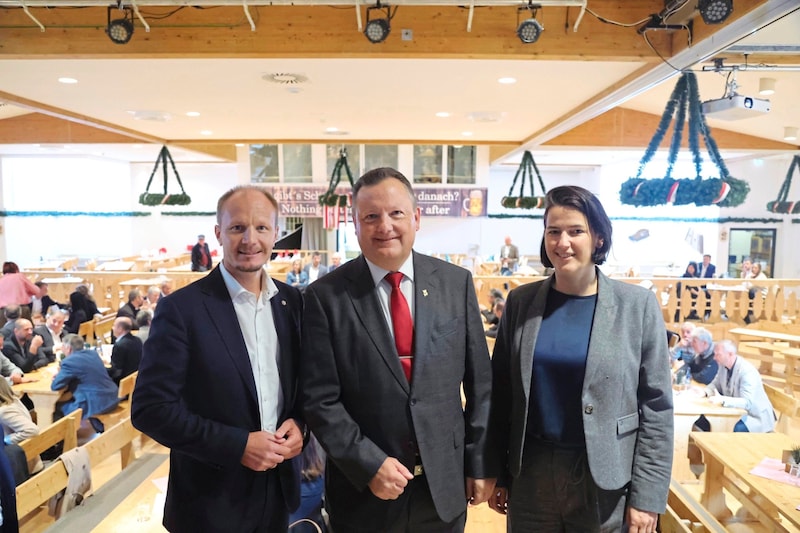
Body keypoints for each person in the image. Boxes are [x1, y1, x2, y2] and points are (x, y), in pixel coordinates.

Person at [300, 167, 496, 533]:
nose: (384, 226)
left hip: (444, 488)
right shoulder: (325, 296)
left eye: (396, 213)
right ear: (355, 225)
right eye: (370, 216)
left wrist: (480, 461)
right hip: (364, 493)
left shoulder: (455, 284)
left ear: (416, 218)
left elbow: (481, 386)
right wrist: (368, 463)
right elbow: (319, 399)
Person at [489, 185, 673, 532]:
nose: (563, 242)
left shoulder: (637, 307)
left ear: (598, 238)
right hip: (531, 476)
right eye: (553, 231)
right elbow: (502, 394)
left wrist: (647, 497)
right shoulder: (521, 303)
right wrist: (497, 469)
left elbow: (657, 408)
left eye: (576, 231)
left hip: (604, 477)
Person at [131, 185, 304, 533]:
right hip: (209, 503)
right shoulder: (182, 309)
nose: (250, 240)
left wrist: (303, 426)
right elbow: (151, 410)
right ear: (218, 233)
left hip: (277, 490)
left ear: (276, 234)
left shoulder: (292, 302)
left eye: (261, 228)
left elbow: (301, 389)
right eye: (238, 227)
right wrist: (238, 445)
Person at [700, 340, 776, 433]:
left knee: (726, 429)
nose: (714, 358)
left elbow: (747, 402)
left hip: (754, 417)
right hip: (736, 412)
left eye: (718, 355)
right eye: (714, 354)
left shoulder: (747, 371)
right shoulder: (723, 366)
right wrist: (704, 391)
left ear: (730, 354)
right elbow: (716, 384)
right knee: (703, 421)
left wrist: (723, 400)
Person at [51, 334, 119, 422]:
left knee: (55, 407)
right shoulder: (93, 354)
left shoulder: (69, 362)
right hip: (112, 397)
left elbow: (55, 386)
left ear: (68, 348)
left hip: (95, 404)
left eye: (62, 347)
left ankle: (64, 435)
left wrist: (60, 374)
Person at [0, 378, 42, 476]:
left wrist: (5, 440)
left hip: (24, 466)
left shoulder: (4, 411)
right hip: (27, 458)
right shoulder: (15, 401)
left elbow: (32, 430)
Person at [108, 317, 142, 384]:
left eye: (114, 325)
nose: (112, 328)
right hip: (136, 379)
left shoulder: (119, 345)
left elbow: (116, 372)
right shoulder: (138, 340)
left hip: (122, 383)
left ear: (120, 329)